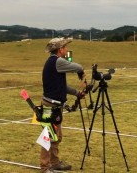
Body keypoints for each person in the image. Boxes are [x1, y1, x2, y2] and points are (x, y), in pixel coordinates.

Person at [40, 38, 85, 173]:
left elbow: (62, 86)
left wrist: (77, 93)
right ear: (60, 50)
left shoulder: (55, 62)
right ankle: (44, 167)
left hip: (54, 106)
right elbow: (78, 67)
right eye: (65, 47)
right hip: (49, 106)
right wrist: (81, 72)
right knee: (47, 136)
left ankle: (54, 163)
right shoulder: (57, 61)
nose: (66, 50)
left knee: (56, 136)